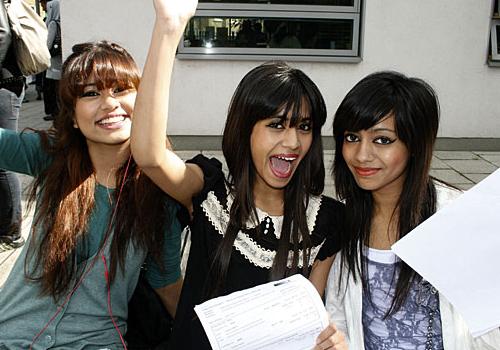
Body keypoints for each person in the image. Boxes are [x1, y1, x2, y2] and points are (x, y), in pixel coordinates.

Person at [131, 1, 347, 349]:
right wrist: (168, 29)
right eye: (276, 125)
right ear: (245, 129)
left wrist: (330, 340)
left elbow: (313, 321)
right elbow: (149, 155)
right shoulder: (209, 192)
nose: (292, 142)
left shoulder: (327, 220)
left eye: (304, 127)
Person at [0, 40, 183, 349]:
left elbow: (165, 281)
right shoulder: (51, 158)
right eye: (91, 93)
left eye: (121, 89)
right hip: (12, 336)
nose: (109, 103)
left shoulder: (158, 191)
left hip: (96, 342)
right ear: (72, 116)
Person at [323, 71, 500, 349]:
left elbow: (490, 327)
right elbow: (338, 310)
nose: (361, 155)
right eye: (352, 137)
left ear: (415, 144)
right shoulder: (345, 219)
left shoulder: (455, 218)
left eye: (382, 140)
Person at [0, 0, 25, 250]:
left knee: (4, 160)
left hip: (4, 86)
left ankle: (12, 231)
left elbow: (2, 33)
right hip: (7, 84)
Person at [42, 0, 61, 121]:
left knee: (54, 90)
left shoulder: (53, 23)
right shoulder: (61, 22)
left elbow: (47, 45)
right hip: (60, 61)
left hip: (53, 63)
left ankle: (56, 114)